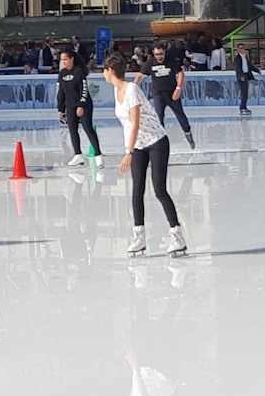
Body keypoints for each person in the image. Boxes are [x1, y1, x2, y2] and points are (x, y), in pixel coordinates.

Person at [104, 48, 186, 259]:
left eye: (105, 70)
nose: (103, 73)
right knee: (137, 191)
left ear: (111, 70)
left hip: (156, 142)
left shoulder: (131, 90)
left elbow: (135, 123)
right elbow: (127, 126)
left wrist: (127, 153)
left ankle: (177, 236)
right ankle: (139, 237)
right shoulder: (116, 90)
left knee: (159, 189)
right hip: (138, 146)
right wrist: (131, 150)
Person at [56, 47, 100, 165]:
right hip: (70, 106)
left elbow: (83, 89)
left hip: (84, 105)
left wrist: (81, 105)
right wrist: (60, 108)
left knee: (88, 128)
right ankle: (78, 154)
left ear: (71, 59)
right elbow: (60, 92)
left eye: (66, 59)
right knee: (72, 130)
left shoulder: (79, 71)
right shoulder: (62, 74)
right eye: (62, 60)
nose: (64, 62)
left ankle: (98, 155)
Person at [149, 41, 195, 148]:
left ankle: (188, 134)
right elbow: (140, 76)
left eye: (161, 54)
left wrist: (178, 88)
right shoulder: (150, 62)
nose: (159, 57)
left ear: (164, 52)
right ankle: (161, 141)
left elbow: (180, 73)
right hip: (158, 94)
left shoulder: (171, 61)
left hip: (172, 93)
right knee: (159, 117)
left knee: (180, 115)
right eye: (156, 54)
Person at [233, 43, 255, 115]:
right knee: (244, 92)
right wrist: (240, 76)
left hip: (246, 75)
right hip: (242, 76)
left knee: (246, 92)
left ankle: (244, 107)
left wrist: (256, 70)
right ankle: (242, 107)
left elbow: (248, 66)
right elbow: (238, 68)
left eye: (243, 48)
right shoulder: (238, 58)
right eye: (240, 48)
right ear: (238, 49)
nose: (242, 49)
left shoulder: (244, 57)